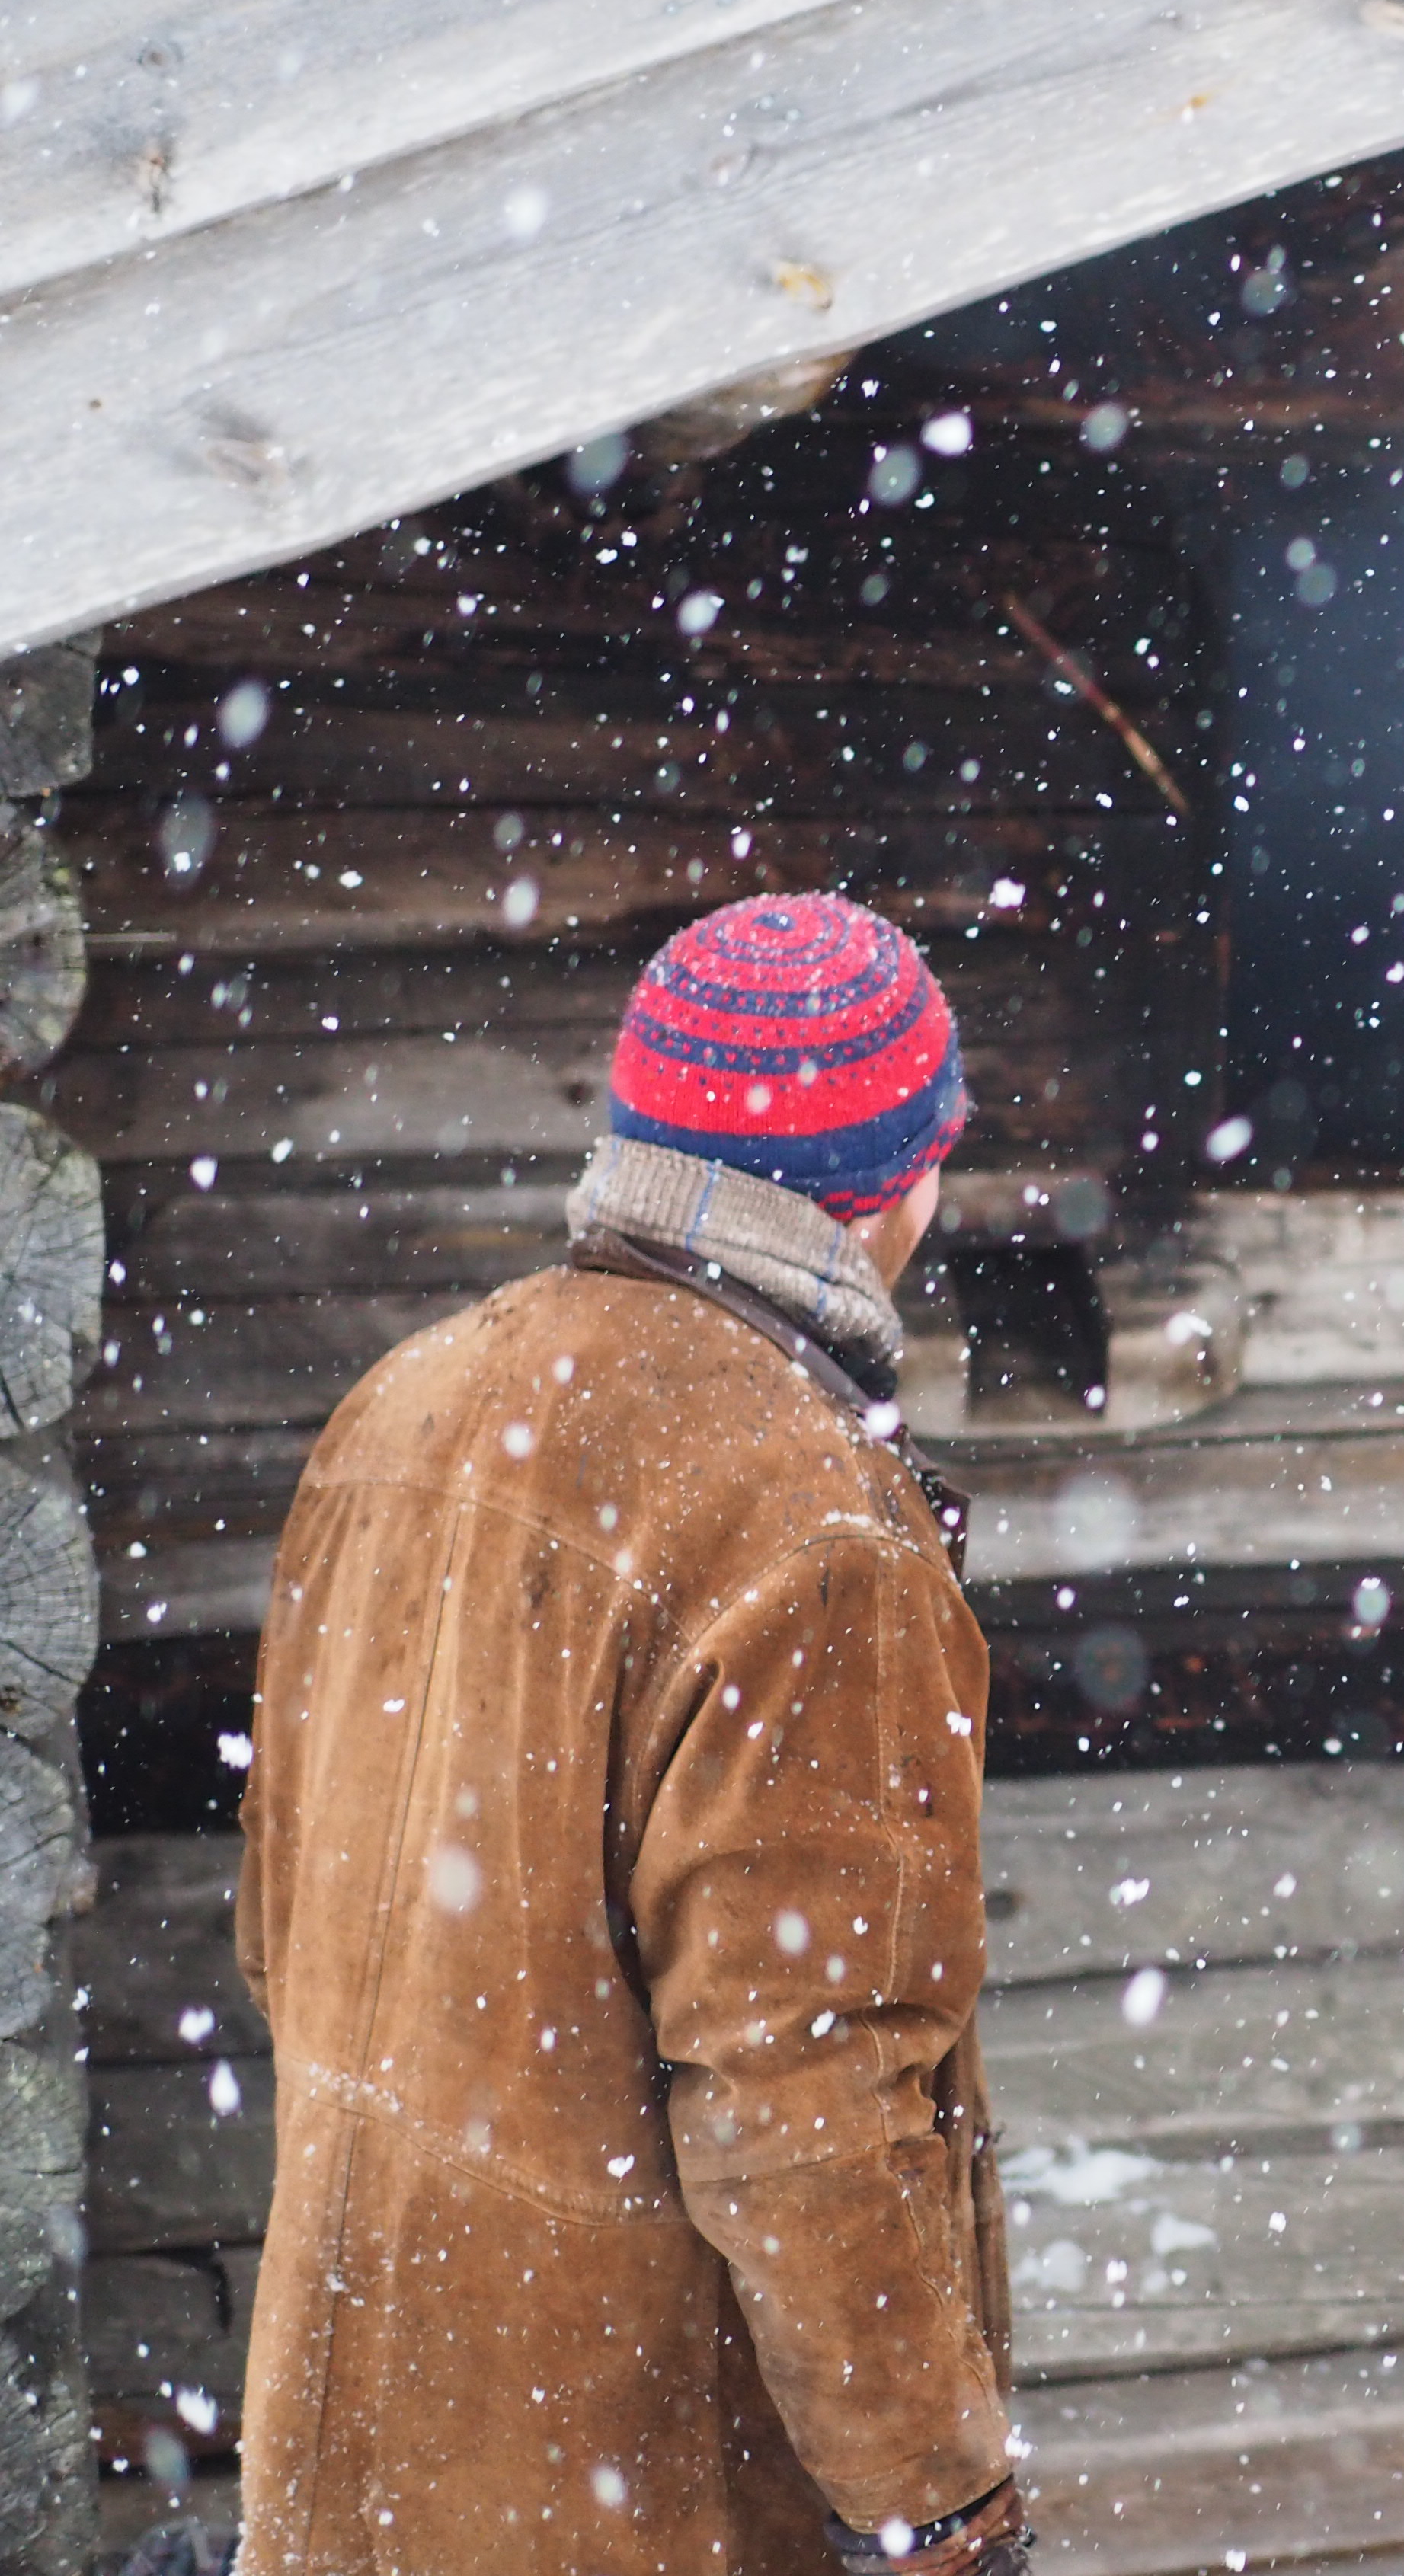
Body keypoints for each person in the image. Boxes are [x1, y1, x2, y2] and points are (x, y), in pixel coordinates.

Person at [233, 896, 1031, 2576]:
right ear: (894, 1186)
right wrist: (943, 2506)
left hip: (350, 2459)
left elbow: (279, 1928)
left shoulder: (408, 1400)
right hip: (636, 2497)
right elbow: (806, 2101)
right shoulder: (819, 1523)